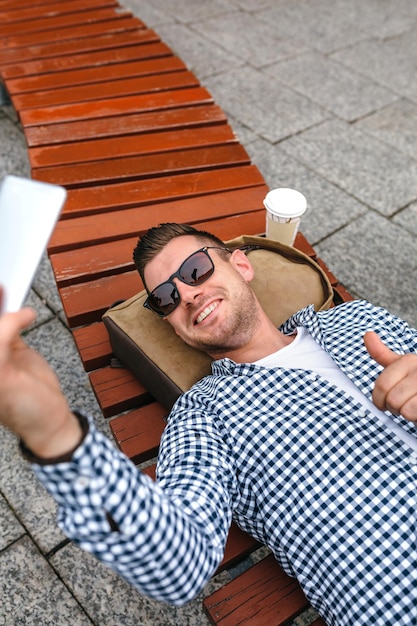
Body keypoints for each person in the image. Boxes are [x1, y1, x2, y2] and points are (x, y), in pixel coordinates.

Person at [0, 223, 416, 625]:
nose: (186, 295)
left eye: (195, 269)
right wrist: (55, 434)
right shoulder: (204, 416)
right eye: (165, 298)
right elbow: (178, 563)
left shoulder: (356, 320)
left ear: (242, 266)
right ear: (170, 321)